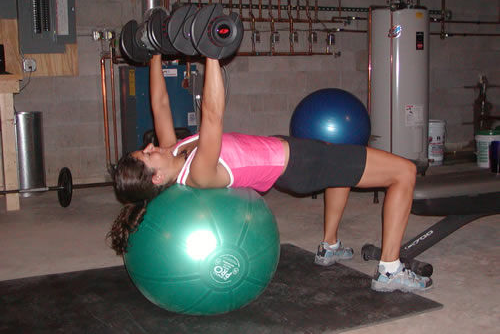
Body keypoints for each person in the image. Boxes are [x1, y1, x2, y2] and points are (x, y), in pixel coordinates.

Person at [109, 54, 432, 293]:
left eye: (145, 148)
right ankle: (390, 270)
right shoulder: (198, 171)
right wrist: (212, 54)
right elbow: (212, 114)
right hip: (302, 164)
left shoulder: (175, 152)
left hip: (295, 158)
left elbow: (160, 104)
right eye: (147, 155)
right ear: (156, 178)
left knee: (342, 163)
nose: (151, 146)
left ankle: (330, 246)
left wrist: (152, 54)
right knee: (403, 172)